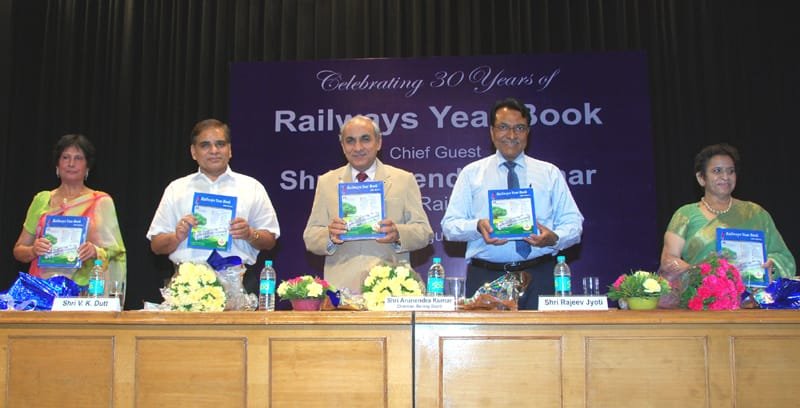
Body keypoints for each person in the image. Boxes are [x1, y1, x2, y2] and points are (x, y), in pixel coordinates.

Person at [441, 97, 584, 310]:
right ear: (492, 132)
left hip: (540, 276)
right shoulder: (472, 174)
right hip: (486, 278)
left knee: (545, 343)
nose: (511, 135)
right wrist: (478, 227)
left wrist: (554, 238)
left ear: (528, 132)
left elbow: (574, 224)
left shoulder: (549, 173)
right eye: (503, 127)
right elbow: (449, 226)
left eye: (519, 128)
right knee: (487, 344)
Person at [303, 115, 434, 292]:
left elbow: (424, 232)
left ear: (379, 142)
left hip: (391, 286)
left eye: (365, 139)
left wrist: (398, 233)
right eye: (350, 141)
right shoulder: (327, 182)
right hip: (341, 289)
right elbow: (310, 237)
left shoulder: (403, 180)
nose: (358, 147)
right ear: (342, 146)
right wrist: (330, 235)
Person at [658, 143, 796, 306]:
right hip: (704, 303)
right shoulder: (685, 215)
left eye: (730, 171)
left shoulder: (756, 214)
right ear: (701, 178)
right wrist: (699, 272)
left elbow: (784, 257)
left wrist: (772, 266)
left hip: (754, 305)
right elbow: (668, 261)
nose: (725, 176)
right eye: (717, 171)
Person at [147, 119, 280, 277]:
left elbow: (270, 241)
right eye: (205, 145)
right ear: (193, 152)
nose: (214, 150)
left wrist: (250, 234)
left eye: (220, 144)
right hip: (186, 283)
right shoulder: (176, 189)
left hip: (237, 281)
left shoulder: (252, 187)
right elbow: (156, 246)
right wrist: (177, 236)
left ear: (229, 150)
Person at [13, 134, 127, 288]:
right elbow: (19, 251)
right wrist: (34, 250)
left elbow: (117, 251)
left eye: (78, 158)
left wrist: (95, 251)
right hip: (42, 290)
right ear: (57, 165)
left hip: (85, 291)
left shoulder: (100, 201)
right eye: (65, 157)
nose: (71, 163)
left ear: (87, 166)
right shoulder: (42, 199)